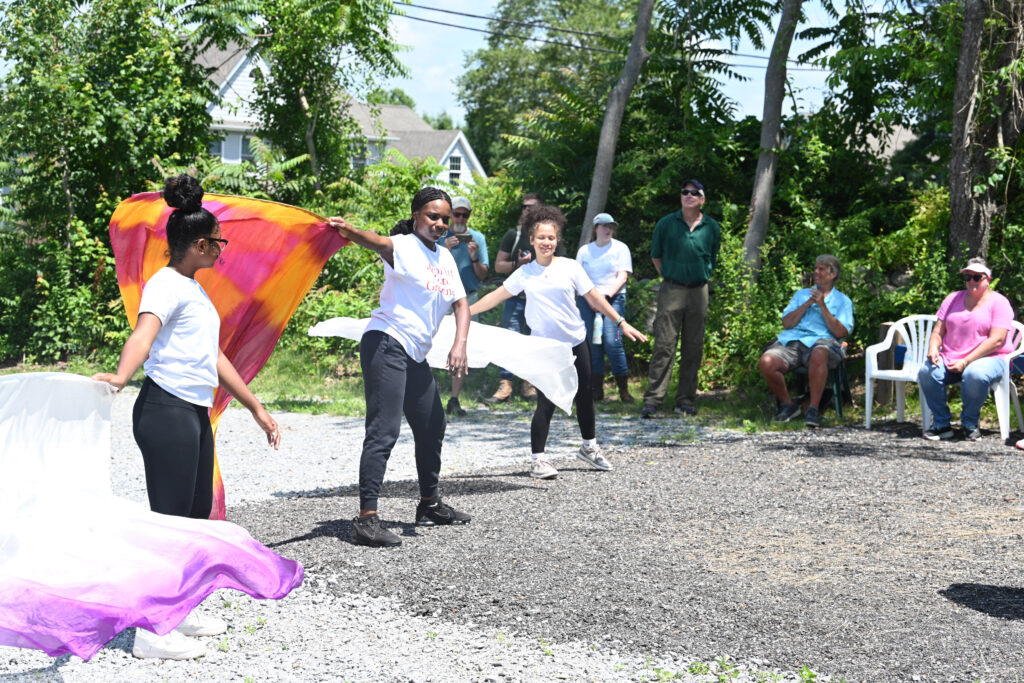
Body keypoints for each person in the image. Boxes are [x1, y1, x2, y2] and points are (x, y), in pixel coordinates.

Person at [92, 174, 282, 660]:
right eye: (218, 242)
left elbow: (213, 356)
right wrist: (119, 376)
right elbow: (144, 334)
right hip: (165, 408)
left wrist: (255, 406)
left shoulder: (194, 290)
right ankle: (153, 634)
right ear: (199, 244)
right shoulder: (165, 285)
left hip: (192, 411)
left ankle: (181, 609)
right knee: (171, 521)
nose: (222, 248)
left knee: (196, 519)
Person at [328, 187, 471, 548]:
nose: (439, 223)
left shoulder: (444, 258)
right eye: (432, 216)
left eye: (444, 218)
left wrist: (459, 344)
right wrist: (349, 231)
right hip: (387, 342)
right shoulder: (405, 245)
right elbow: (376, 242)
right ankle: (366, 519)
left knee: (432, 424)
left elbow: (462, 305)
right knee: (384, 430)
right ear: (416, 216)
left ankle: (430, 503)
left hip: (414, 353)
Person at [470, 205, 647, 479]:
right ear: (531, 239)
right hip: (545, 348)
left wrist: (621, 322)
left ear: (557, 240)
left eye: (551, 238)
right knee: (547, 401)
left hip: (576, 341)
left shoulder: (571, 267)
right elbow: (496, 296)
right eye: (541, 237)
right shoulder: (524, 273)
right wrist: (465, 313)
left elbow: (595, 298)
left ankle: (589, 448)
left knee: (585, 395)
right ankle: (538, 460)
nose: (546, 242)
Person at [641, 180, 721, 418]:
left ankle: (685, 400)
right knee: (664, 345)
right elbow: (656, 256)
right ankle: (653, 401)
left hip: (699, 290)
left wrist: (701, 275)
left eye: (694, 192)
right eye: (684, 191)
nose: (688, 195)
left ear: (702, 199)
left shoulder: (711, 226)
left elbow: (713, 257)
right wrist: (670, 275)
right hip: (672, 288)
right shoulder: (666, 224)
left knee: (693, 347)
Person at [918, 257, 1015, 441]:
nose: (971, 282)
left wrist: (966, 361)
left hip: (991, 358)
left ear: (988, 278)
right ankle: (941, 424)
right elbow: (938, 331)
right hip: (951, 357)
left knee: (975, 374)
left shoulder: (1000, 302)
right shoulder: (953, 298)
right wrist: (933, 349)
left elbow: (997, 340)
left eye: (977, 277)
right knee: (926, 371)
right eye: (967, 277)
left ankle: (970, 423)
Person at [757, 255, 854, 428]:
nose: (816, 272)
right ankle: (789, 405)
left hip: (822, 341)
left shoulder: (842, 301)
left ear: (833, 274)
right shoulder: (801, 295)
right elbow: (787, 323)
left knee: (819, 353)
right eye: (815, 268)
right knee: (766, 361)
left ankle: (813, 409)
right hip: (794, 340)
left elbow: (841, 332)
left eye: (821, 269)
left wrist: (822, 306)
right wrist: (808, 303)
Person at [487, 192, 564, 403]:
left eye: (531, 207)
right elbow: (498, 266)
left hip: (541, 302)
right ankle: (505, 385)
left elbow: (560, 266)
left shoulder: (550, 236)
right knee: (510, 341)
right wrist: (518, 265)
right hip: (515, 299)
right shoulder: (514, 235)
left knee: (536, 343)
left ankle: (530, 384)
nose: (527, 211)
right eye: (524, 207)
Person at [576, 212, 634, 402]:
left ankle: (623, 390)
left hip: (614, 298)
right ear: (595, 228)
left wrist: (605, 297)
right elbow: (578, 279)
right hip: (588, 300)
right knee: (593, 345)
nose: (608, 229)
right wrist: (592, 299)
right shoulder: (585, 251)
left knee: (612, 342)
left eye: (611, 226)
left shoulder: (621, 248)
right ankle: (595, 390)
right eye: (604, 226)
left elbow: (622, 276)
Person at [441, 196, 488, 417]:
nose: (460, 218)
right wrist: (446, 252)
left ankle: (454, 398)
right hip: (442, 297)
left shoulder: (477, 238)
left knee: (462, 347)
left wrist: (475, 257)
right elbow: (427, 269)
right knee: (431, 343)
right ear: (450, 214)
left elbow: (482, 275)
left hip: (468, 297)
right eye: (456, 214)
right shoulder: (439, 235)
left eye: (464, 214)